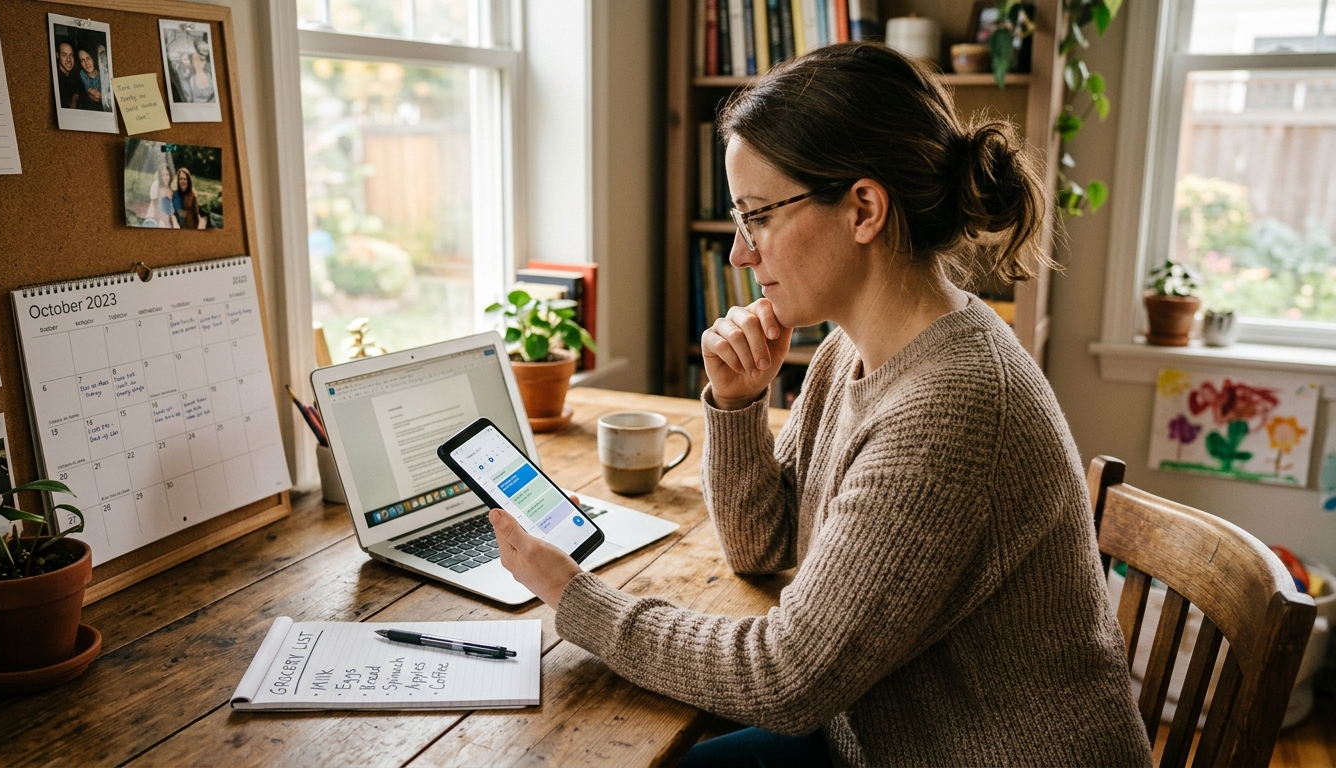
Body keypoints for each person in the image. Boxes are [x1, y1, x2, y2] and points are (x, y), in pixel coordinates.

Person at [486, 42, 1153, 767]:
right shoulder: (851, 351)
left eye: (757, 217)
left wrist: (575, 596)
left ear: (864, 208)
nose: (741, 253)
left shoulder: (954, 405)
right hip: (868, 738)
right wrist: (740, 405)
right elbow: (763, 547)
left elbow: (784, 678)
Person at [54, 40, 82, 110]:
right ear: (57, 55)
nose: (68, 59)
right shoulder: (56, 77)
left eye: (71, 55)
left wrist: (74, 99)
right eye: (64, 55)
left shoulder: (78, 73)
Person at [76, 47, 104, 111]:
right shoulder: (80, 75)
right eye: (82, 61)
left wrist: (103, 96)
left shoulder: (103, 74)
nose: (86, 63)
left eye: (88, 58)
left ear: (93, 58)